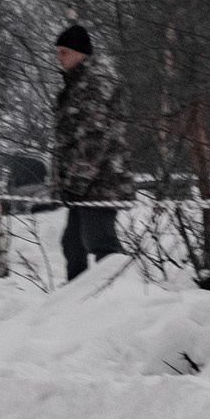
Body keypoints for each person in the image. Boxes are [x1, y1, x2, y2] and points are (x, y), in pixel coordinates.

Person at [52, 23, 130, 280]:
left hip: (100, 182)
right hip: (82, 186)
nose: (58, 58)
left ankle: (120, 298)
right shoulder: (76, 84)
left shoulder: (95, 83)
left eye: (64, 52)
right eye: (57, 52)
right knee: (72, 245)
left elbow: (95, 139)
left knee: (101, 243)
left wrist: (74, 182)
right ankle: (78, 305)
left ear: (80, 52)